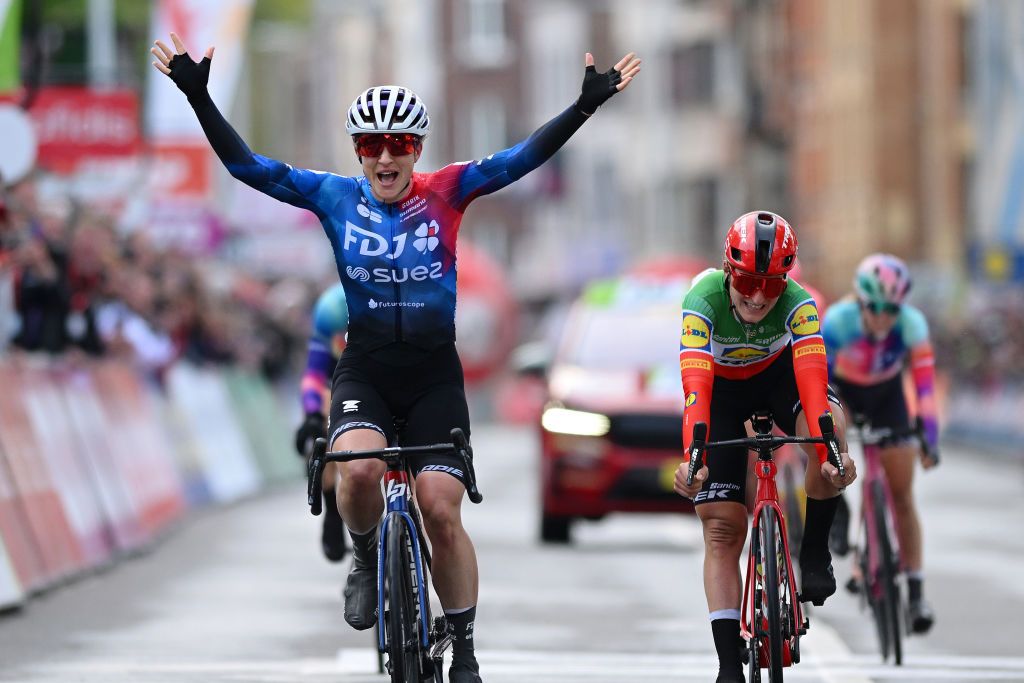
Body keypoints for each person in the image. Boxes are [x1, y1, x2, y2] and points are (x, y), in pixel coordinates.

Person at [152, 32, 640, 683]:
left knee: (440, 505)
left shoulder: (449, 191)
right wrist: (199, 98)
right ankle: (362, 557)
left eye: (399, 145)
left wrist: (584, 107)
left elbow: (523, 159)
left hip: (435, 371)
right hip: (370, 367)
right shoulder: (332, 196)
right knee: (356, 473)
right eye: (371, 146)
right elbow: (249, 168)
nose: (385, 157)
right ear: (358, 152)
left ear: (417, 150)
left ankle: (463, 643)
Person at [672, 211, 856, 683]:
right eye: (749, 281)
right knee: (721, 528)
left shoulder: (799, 305)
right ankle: (728, 665)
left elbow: (814, 387)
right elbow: (696, 390)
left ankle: (814, 551)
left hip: (780, 381)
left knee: (828, 431)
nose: (758, 296)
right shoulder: (703, 300)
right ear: (729, 271)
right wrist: (693, 458)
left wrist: (831, 454)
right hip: (722, 393)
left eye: (771, 285)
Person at [821, 253, 940, 634]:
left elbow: (924, 387)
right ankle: (841, 516)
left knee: (902, 495)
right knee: (834, 447)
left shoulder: (912, 324)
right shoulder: (838, 323)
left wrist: (929, 438)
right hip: (846, 392)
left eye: (893, 308)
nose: (884, 317)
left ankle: (916, 590)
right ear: (861, 301)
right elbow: (818, 384)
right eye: (876, 308)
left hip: (887, 395)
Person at [293, 283, 350, 563]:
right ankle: (333, 512)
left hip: (385, 374)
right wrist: (313, 413)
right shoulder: (332, 308)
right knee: (326, 433)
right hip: (339, 379)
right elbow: (314, 374)